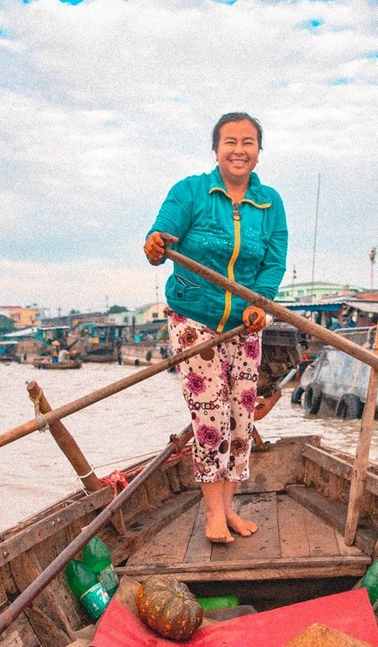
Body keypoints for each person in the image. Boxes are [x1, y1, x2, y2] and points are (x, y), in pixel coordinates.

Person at [144, 112, 288, 544]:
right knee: (211, 416)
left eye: (248, 142)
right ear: (216, 150)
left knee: (241, 417)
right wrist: (155, 244)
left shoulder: (270, 203)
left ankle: (229, 509)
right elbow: (161, 239)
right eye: (230, 142)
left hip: (245, 324)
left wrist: (258, 304)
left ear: (259, 151)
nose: (239, 150)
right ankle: (211, 515)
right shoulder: (190, 191)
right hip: (194, 318)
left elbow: (273, 262)